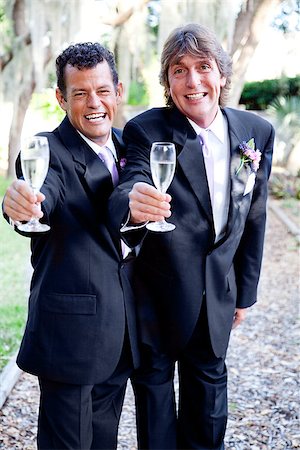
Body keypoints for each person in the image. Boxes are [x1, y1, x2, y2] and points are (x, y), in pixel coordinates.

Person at [108, 23, 274, 450]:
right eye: (179, 70)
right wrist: (132, 202)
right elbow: (131, 183)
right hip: (157, 297)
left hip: (217, 297)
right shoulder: (147, 129)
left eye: (203, 67)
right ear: (167, 81)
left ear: (221, 74)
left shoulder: (256, 133)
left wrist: (244, 294)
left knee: (209, 409)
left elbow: (253, 218)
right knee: (157, 410)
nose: (193, 80)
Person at [2, 42, 139, 449]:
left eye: (101, 90)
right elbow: (39, 194)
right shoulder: (45, 150)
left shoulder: (131, 147)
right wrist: (23, 208)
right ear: (61, 98)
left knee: (102, 440)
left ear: (118, 90)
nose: (93, 102)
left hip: (124, 328)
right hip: (72, 335)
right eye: (80, 93)